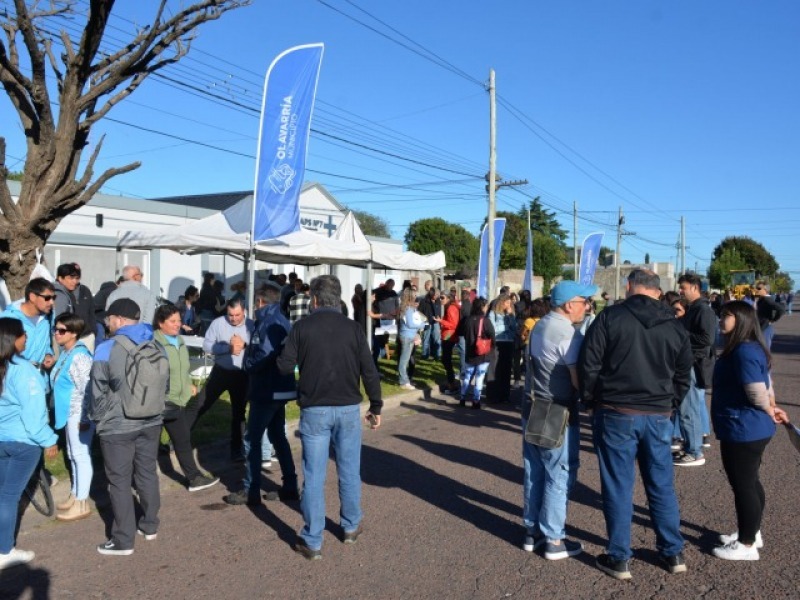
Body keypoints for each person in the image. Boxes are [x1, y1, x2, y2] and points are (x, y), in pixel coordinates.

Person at [579, 269, 692, 580]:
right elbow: (684, 373)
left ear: (629, 287)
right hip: (657, 413)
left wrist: (589, 400)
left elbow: (590, 362)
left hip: (616, 410)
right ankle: (672, 551)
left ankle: (619, 556)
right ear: (657, 290)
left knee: (618, 484)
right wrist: (670, 404)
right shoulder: (674, 324)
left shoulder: (610, 317)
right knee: (661, 484)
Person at [277, 275, 382, 560]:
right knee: (349, 470)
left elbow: (285, 366)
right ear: (339, 299)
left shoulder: (301, 328)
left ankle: (313, 539)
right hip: (348, 408)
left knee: (314, 476)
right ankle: (350, 526)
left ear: (314, 299)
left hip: (314, 409)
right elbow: (369, 370)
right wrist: (376, 405)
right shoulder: (354, 329)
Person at [523, 281, 596, 560]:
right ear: (569, 305)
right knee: (559, 472)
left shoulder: (540, 325)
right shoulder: (569, 334)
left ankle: (532, 530)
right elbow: (579, 380)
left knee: (535, 469)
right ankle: (554, 539)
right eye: (583, 301)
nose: (587, 307)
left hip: (532, 405)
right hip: (559, 410)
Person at [89, 298, 166, 556]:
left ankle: (123, 540)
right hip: (152, 419)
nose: (106, 323)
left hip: (118, 426)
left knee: (119, 481)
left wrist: (100, 420)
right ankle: (150, 525)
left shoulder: (106, 348)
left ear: (119, 320)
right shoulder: (156, 342)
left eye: (108, 319)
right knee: (146, 472)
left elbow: (97, 390)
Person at [711, 301, 778, 561]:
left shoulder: (743, 351)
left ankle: (747, 543)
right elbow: (767, 386)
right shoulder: (750, 348)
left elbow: (755, 390)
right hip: (748, 426)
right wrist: (772, 407)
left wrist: (770, 408)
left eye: (726, 316)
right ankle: (752, 531)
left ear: (740, 320)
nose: (721, 319)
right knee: (749, 482)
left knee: (744, 486)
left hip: (743, 427)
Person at [224, 284, 299, 506]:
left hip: (266, 388)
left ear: (259, 301)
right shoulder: (279, 319)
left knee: (252, 439)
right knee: (277, 436)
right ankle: (290, 485)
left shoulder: (268, 322)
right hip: (278, 387)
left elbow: (265, 354)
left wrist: (247, 361)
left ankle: (251, 489)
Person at [0, 318, 58, 569]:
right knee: (9, 496)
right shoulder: (23, 370)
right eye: (23, 335)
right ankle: (4, 551)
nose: (27, 338)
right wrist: (49, 440)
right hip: (24, 441)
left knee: (3, 494)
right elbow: (34, 414)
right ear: (13, 339)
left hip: (2, 438)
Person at [152, 305, 219, 493]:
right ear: (160, 323)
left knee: (182, 441)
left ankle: (194, 478)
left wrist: (189, 383)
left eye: (179, 321)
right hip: (159, 403)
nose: (177, 325)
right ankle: (142, 482)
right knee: (149, 447)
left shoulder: (179, 340)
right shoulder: (153, 343)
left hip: (178, 401)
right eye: (172, 321)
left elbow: (183, 367)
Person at [195, 298, 253, 461]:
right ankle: (179, 438)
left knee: (239, 413)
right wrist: (227, 348)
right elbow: (207, 346)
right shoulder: (218, 323)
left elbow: (257, 347)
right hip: (221, 371)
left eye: (237, 315)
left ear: (244, 312)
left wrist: (245, 346)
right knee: (201, 404)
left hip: (241, 375)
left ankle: (236, 449)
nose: (234, 318)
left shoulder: (251, 325)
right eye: (230, 315)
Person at [50, 313, 94, 522]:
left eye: (62, 331)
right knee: (72, 454)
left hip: (78, 413)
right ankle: (76, 494)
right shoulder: (68, 353)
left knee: (81, 456)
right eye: (55, 330)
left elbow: (87, 388)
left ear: (74, 333)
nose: (57, 334)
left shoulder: (79, 356)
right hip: (70, 413)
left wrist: (84, 418)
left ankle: (82, 502)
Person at [674, 273, 716, 466]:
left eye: (683, 287)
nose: (680, 291)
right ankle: (692, 447)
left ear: (694, 287)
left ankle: (694, 451)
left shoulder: (703, 310)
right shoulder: (694, 309)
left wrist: (681, 336)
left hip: (694, 365)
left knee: (688, 409)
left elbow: (706, 340)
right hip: (690, 363)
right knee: (689, 408)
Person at [1, 277, 56, 384]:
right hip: (15, 384)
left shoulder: (48, 317)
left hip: (41, 382)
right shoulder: (8, 318)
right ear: (32, 297)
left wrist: (48, 355)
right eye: (47, 298)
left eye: (54, 297)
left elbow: (47, 344)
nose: (52, 302)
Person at [53, 262, 97, 351]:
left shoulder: (85, 290)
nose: (74, 281)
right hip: (68, 338)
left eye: (77, 278)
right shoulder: (59, 294)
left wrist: (93, 332)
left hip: (86, 336)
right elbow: (57, 319)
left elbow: (92, 312)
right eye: (71, 278)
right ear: (60, 278)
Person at [460, 298, 494, 409]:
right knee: (479, 377)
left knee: (467, 376)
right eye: (486, 306)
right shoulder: (485, 321)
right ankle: (476, 401)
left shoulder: (467, 320)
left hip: (470, 352)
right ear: (482, 307)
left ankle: (462, 398)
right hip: (482, 354)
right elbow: (492, 335)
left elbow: (463, 334)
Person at [487, 292, 517, 404]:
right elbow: (492, 328)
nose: (509, 305)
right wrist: (505, 328)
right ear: (502, 302)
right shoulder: (493, 313)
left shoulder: (510, 313)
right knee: (495, 368)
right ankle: (493, 394)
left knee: (506, 369)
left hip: (508, 342)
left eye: (510, 303)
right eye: (507, 302)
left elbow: (515, 328)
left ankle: (505, 395)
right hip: (497, 341)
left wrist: (511, 317)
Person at [397, 288, 426, 391]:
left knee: (405, 359)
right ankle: (403, 381)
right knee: (404, 360)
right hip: (407, 336)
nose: (416, 298)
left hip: (408, 335)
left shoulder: (407, 307)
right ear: (410, 297)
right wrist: (421, 324)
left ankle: (404, 380)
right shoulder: (408, 308)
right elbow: (410, 323)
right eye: (414, 296)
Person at [437, 290, 461, 395]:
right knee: (446, 360)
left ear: (448, 298)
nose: (440, 300)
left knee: (446, 360)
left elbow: (453, 324)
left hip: (449, 336)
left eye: (442, 298)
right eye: (440, 298)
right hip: (448, 336)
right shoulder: (450, 307)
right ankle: (451, 383)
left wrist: (441, 321)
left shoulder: (451, 308)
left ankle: (452, 385)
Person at [753, 283, 784, 350]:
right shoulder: (762, 299)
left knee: (764, 350)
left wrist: (773, 320)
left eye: (759, 288)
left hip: (765, 328)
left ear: (765, 290)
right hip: (761, 327)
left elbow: (781, 309)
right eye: (756, 288)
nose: (756, 289)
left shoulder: (768, 300)